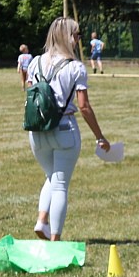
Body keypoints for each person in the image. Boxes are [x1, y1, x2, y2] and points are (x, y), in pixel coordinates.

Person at [26, 17, 111, 241]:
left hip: (37, 131)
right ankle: (55, 239)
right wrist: (99, 136)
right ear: (67, 37)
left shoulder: (34, 62)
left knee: (50, 176)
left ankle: (41, 221)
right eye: (76, 35)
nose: (78, 39)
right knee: (61, 184)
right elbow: (84, 106)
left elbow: (30, 93)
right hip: (64, 129)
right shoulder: (75, 67)